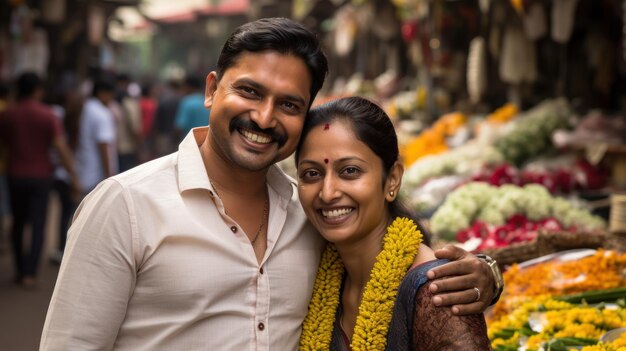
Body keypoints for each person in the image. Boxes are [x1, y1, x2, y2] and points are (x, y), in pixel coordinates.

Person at [41, 18, 500, 350]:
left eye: (289, 104)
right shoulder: (125, 206)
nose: (263, 118)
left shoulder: (309, 214)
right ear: (211, 90)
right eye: (250, 92)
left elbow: (388, 255)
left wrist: (486, 274)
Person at [295, 96, 490, 350]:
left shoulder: (437, 295)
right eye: (312, 173)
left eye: (350, 171)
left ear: (392, 179)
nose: (328, 192)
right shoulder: (317, 277)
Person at [0, 72, 80, 287]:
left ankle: (19, 270)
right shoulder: (48, 115)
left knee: (17, 223)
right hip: (42, 175)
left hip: (14, 174)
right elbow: (60, 147)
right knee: (38, 223)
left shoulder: (7, 114)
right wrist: (73, 175)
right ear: (38, 91)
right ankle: (30, 273)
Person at [74, 79, 118, 195]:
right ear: (102, 93)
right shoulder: (102, 113)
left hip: (83, 170)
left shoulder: (87, 108)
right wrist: (110, 177)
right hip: (96, 176)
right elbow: (104, 145)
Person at [174, 74, 209, 141]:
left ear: (188, 86)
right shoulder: (207, 101)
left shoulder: (187, 102)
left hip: (189, 141)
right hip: (205, 141)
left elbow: (180, 126)